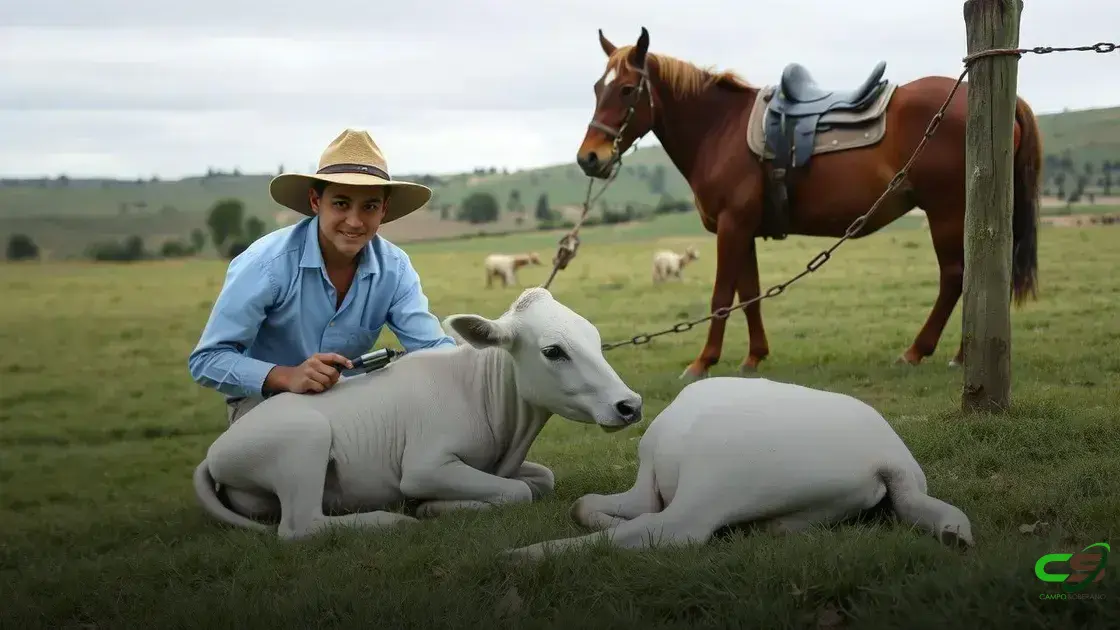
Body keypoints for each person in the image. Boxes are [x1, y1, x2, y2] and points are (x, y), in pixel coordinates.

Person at [188, 128, 457, 425]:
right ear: (316, 202)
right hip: (264, 404)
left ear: (384, 210)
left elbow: (432, 348)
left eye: (369, 206)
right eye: (341, 203)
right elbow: (207, 361)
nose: (354, 222)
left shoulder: (395, 268)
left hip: (348, 402)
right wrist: (286, 376)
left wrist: (486, 363)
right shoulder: (266, 264)